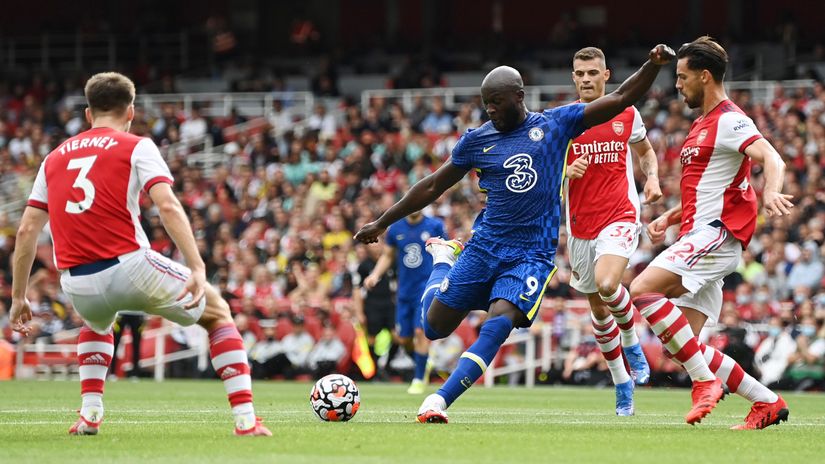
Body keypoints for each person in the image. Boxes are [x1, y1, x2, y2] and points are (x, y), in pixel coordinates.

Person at [355, 44, 676, 423]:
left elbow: (621, 97)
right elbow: (430, 186)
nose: (489, 109)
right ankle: (443, 262)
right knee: (434, 327)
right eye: (485, 102)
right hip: (483, 247)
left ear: (519, 97)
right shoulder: (476, 140)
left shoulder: (555, 125)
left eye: (496, 102)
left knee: (500, 321)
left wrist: (653, 66)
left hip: (530, 257)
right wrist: (382, 221)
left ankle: (438, 401)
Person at [8, 72, 271, 436]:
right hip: (129, 265)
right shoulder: (136, 145)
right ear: (130, 111)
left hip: (76, 281)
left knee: (96, 323)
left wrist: (19, 296)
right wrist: (196, 265)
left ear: (88, 114)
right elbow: (167, 205)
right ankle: (245, 420)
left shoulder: (52, 159)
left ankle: (89, 415)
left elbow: (26, 230)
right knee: (218, 313)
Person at [629, 36, 792, 428]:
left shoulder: (731, 120)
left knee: (641, 289)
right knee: (685, 347)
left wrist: (770, 189)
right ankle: (767, 401)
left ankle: (705, 381)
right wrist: (670, 217)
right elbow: (708, 188)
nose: (677, 85)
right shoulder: (702, 124)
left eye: (683, 77)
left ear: (705, 76)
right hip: (698, 234)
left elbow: (772, 157)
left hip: (717, 235)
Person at [564, 47, 661, 415]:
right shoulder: (565, 120)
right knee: (597, 308)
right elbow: (543, 170)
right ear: (573, 78)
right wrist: (563, 172)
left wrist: (651, 177)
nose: (586, 78)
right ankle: (622, 382)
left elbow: (646, 152)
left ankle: (633, 344)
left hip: (619, 214)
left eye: (592, 72)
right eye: (580, 73)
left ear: (606, 75)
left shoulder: (626, 111)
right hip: (579, 225)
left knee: (608, 286)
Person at [363, 211, 444, 394]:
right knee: (403, 338)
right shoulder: (396, 228)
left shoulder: (434, 225)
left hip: (425, 288)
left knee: (420, 331)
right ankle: (422, 362)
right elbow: (388, 255)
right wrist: (375, 274)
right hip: (404, 291)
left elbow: (444, 251)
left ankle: (418, 379)